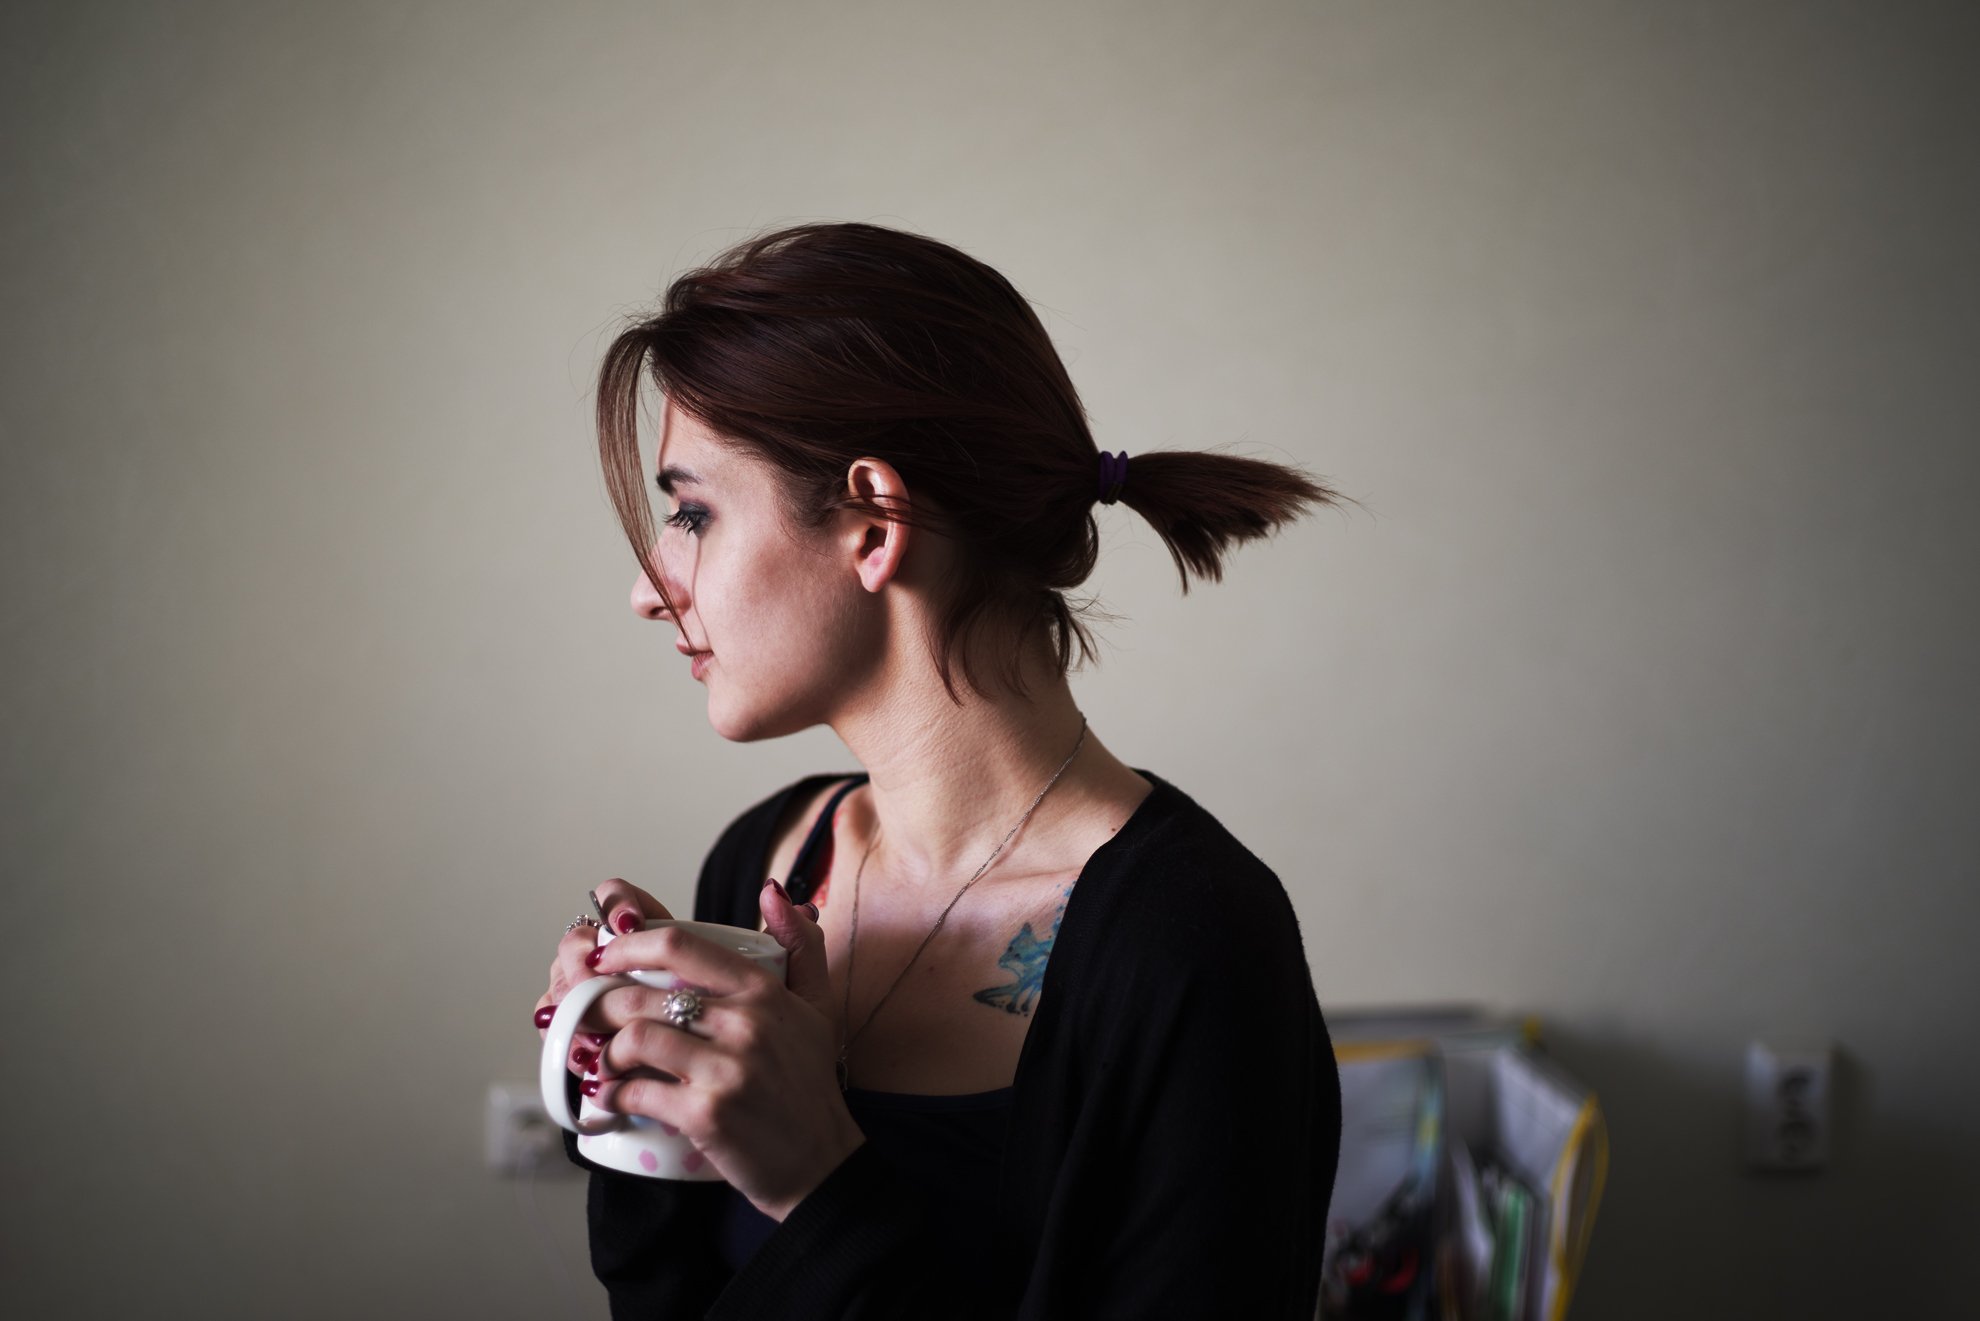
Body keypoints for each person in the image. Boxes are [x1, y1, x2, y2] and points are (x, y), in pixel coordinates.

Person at [532, 221, 1345, 1319]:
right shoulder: (762, 865)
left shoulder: (1194, 942)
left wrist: (820, 1185)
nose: (649, 590)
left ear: (874, 523)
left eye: (692, 513)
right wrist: (625, 1100)